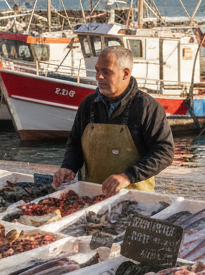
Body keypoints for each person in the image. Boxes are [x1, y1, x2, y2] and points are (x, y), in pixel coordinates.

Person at [51, 45, 174, 195]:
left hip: (134, 197)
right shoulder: (87, 105)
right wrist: (68, 167)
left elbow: (164, 151)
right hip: (91, 194)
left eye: (106, 72)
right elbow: (75, 142)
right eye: (97, 70)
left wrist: (128, 176)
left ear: (125, 73)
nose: (98, 77)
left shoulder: (147, 107)